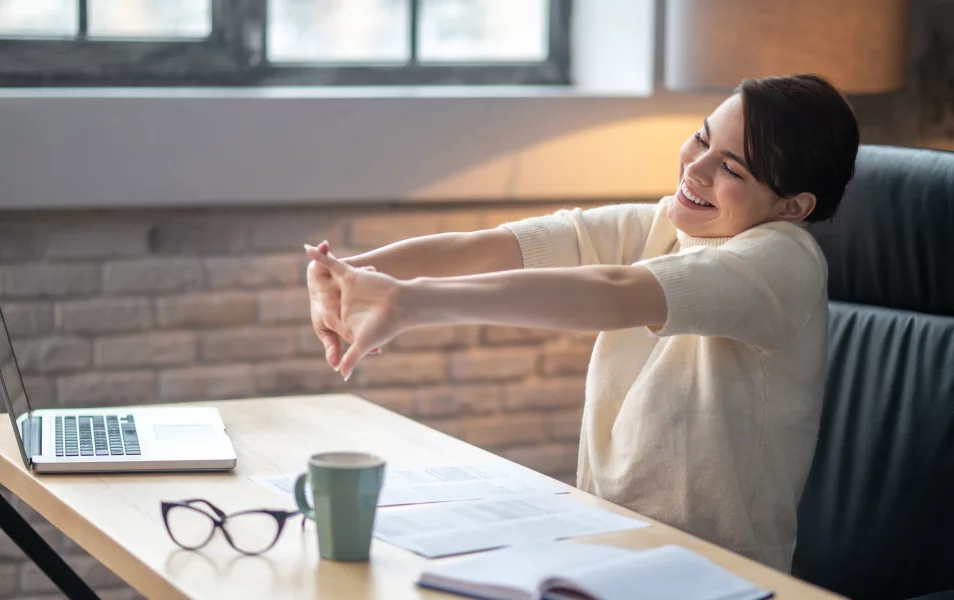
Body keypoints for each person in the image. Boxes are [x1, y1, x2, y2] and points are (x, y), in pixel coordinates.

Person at [304, 73, 860, 573]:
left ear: (793, 207)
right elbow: (497, 248)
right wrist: (350, 276)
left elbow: (618, 294)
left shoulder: (783, 260)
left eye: (730, 167)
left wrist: (408, 303)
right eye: (702, 137)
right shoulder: (667, 223)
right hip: (607, 546)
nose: (695, 166)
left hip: (717, 573)